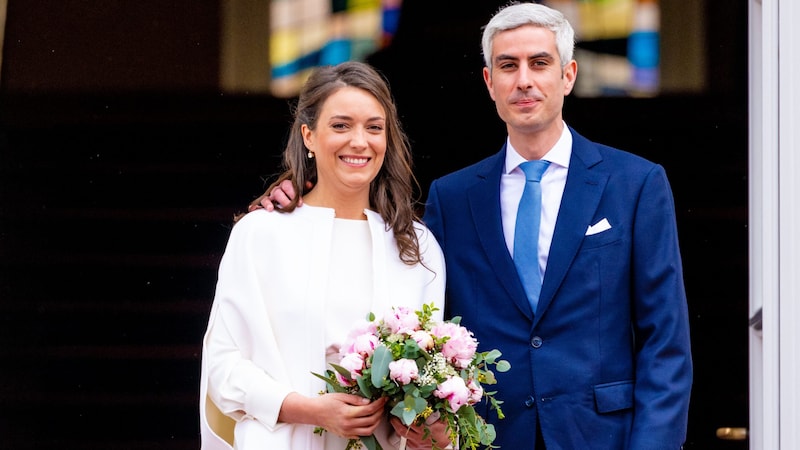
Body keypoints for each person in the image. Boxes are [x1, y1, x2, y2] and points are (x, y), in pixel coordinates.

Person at [253, 2, 693, 449]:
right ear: (489, 82)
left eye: (539, 63)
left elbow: (666, 342)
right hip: (487, 439)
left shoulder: (636, 184)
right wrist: (303, 200)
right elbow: (418, 315)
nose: (524, 79)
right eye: (508, 65)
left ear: (568, 75)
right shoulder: (454, 196)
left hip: (602, 436)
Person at [199, 61, 451, 450]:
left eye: (373, 127)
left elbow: (429, 376)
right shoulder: (260, 234)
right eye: (340, 125)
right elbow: (223, 366)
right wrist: (312, 410)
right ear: (308, 136)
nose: (359, 141)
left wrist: (427, 427)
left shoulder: (416, 247)